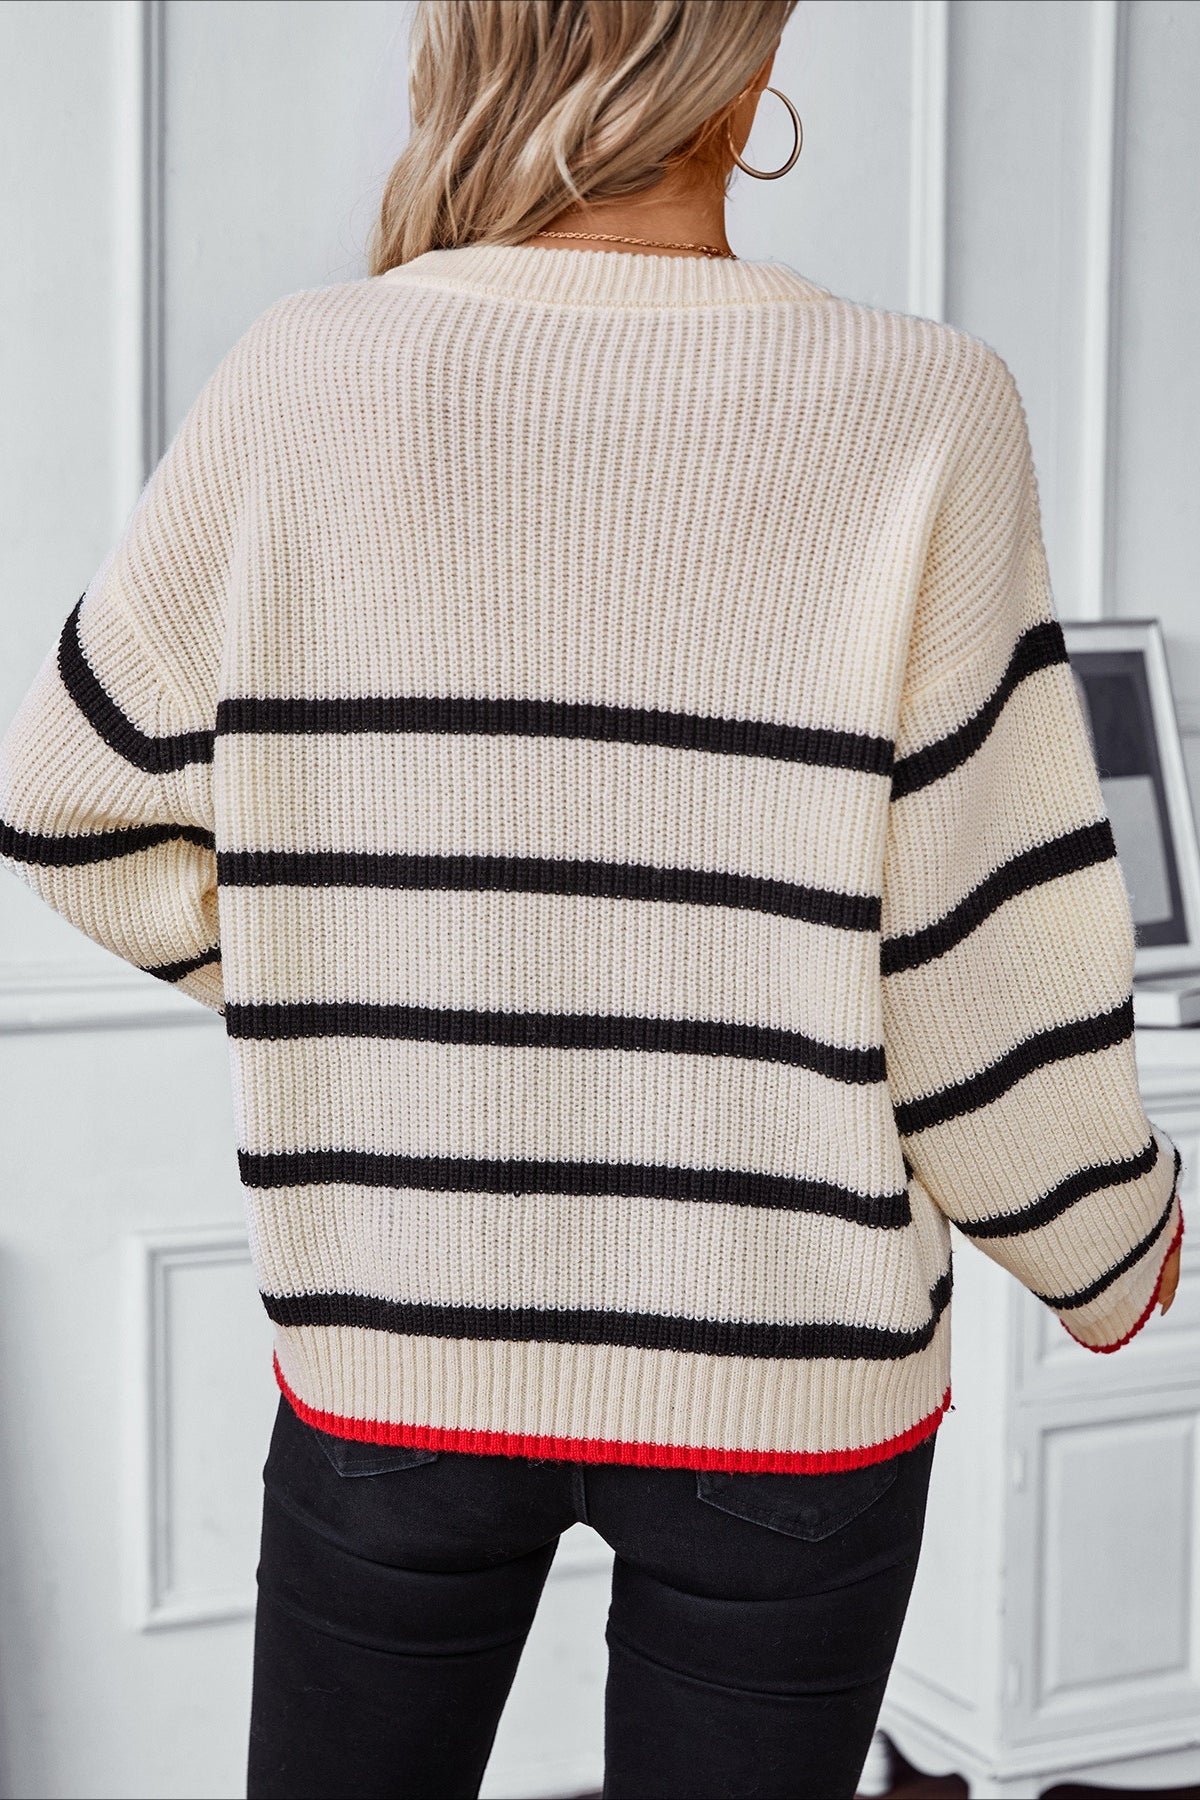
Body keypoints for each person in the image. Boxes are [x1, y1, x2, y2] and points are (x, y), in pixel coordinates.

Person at [0, 3, 1183, 1796]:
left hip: (397, 1337)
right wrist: (1110, 1245)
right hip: (791, 1375)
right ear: (745, 71)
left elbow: (72, 804)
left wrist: (376, 971)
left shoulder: (303, 374)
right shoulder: (924, 407)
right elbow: (975, 965)